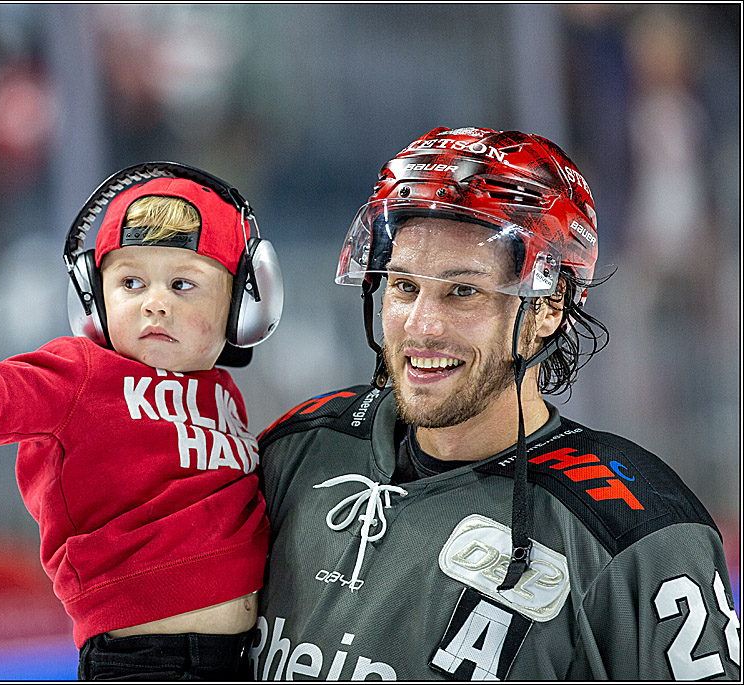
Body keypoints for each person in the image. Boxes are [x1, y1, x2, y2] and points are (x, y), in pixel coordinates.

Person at [250, 126, 740, 680]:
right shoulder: (301, 449)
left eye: (464, 291)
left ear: (548, 308)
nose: (421, 326)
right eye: (403, 286)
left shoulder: (634, 532)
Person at [0, 168, 283, 680]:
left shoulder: (223, 394)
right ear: (93, 299)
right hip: (145, 664)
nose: (154, 302)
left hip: (247, 658)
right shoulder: (80, 374)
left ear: (243, 306)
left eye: (183, 284)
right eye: (130, 282)